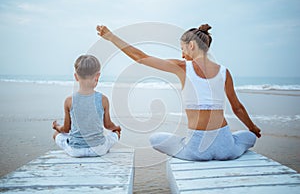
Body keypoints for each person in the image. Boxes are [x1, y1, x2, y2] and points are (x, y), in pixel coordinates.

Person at [96, 24, 261, 161]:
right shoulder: (224, 72)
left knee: (155, 139)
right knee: (249, 137)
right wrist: (252, 128)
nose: (182, 54)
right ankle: (241, 138)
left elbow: (140, 57)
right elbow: (237, 107)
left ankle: (187, 144)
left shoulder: (183, 67)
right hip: (226, 148)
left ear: (191, 46)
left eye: (182, 49)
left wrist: (111, 37)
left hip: (197, 151)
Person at [52, 55, 121, 157]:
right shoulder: (103, 99)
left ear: (76, 76)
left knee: (56, 135)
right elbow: (108, 125)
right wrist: (116, 128)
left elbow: (66, 129)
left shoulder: (69, 101)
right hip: (98, 150)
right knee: (115, 135)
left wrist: (57, 127)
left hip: (76, 151)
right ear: (97, 76)